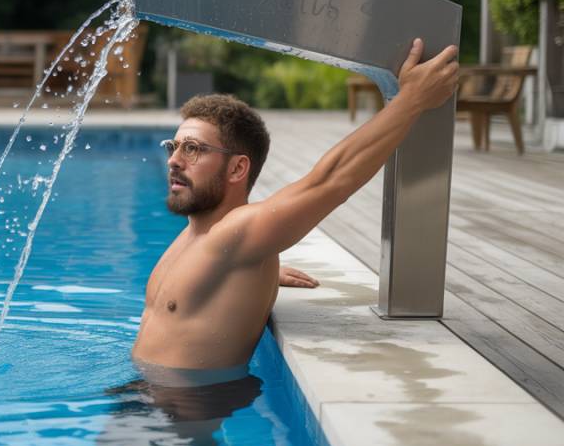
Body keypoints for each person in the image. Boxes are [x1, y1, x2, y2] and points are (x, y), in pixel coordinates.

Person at [132, 38, 459, 382]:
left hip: (181, 407)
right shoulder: (210, 243)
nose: (173, 160)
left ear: (237, 168)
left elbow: (330, 180)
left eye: (193, 149)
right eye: (174, 146)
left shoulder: (236, 235)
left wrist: (411, 99)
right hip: (141, 396)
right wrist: (250, 271)